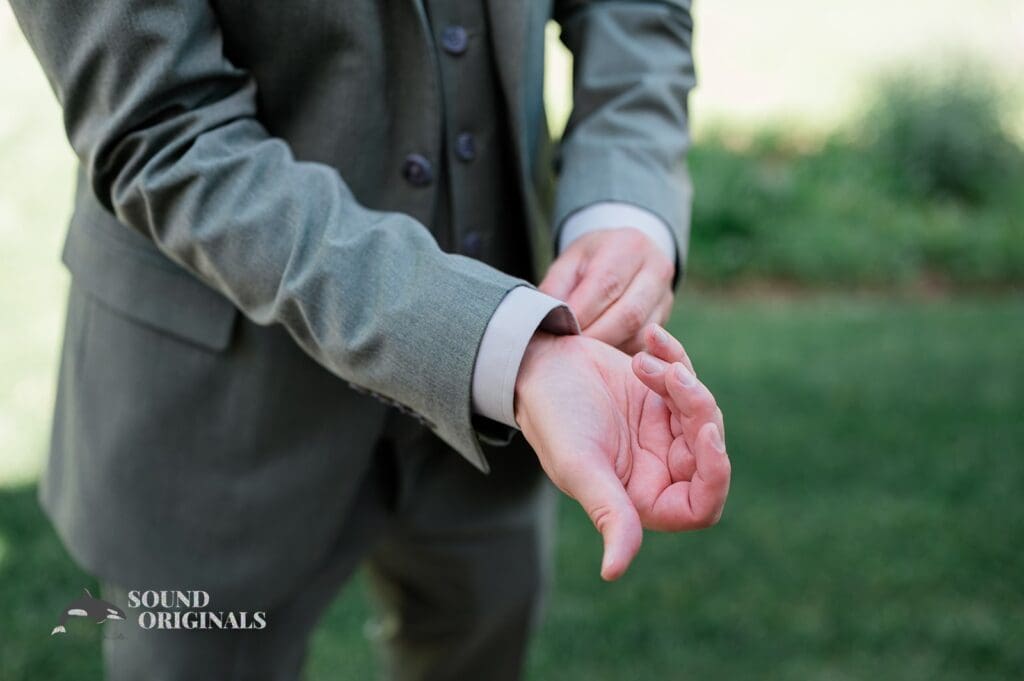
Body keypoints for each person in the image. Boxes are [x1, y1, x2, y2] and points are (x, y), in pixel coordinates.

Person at [11, 0, 730, 679]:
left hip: (513, 406)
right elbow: (165, 130)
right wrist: (501, 346)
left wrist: (622, 203)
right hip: (219, 406)